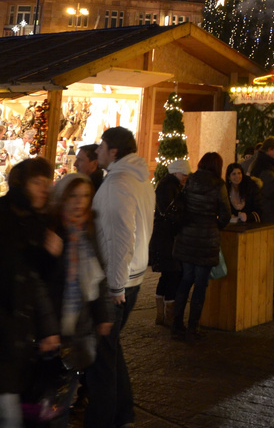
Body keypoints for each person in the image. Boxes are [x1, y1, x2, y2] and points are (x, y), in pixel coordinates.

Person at [84, 126, 154, 428]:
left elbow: (121, 237)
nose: (97, 151)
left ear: (113, 152)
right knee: (111, 350)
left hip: (118, 283)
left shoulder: (117, 183)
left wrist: (114, 286)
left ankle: (103, 421)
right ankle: (124, 414)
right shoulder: (140, 180)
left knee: (101, 360)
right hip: (133, 278)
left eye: (101, 147)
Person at [42, 174, 112, 428]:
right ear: (62, 197)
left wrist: (103, 315)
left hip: (78, 329)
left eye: (84, 196)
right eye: (73, 196)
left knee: (62, 401)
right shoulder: (50, 229)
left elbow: (97, 277)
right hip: (51, 330)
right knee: (47, 403)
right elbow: (40, 285)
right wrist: (52, 256)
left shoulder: (88, 229)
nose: (79, 202)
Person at [0, 158, 60, 428]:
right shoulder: (3, 218)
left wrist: (50, 256)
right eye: (37, 183)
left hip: (20, 338)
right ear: (20, 184)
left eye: (47, 184)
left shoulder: (41, 224)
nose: (43, 190)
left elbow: (38, 282)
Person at [171, 151, 231, 339]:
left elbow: (184, 205)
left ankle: (176, 324)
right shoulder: (218, 185)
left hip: (187, 237)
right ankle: (193, 327)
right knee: (200, 284)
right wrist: (216, 225)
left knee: (186, 280)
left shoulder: (191, 180)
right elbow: (226, 214)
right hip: (206, 239)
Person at [148, 158, 191, 327]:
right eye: (184, 173)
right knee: (173, 275)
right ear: (176, 172)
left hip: (163, 238)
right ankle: (169, 316)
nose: (185, 177)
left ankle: (162, 315)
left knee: (167, 275)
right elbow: (172, 213)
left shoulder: (166, 185)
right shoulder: (171, 187)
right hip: (168, 240)